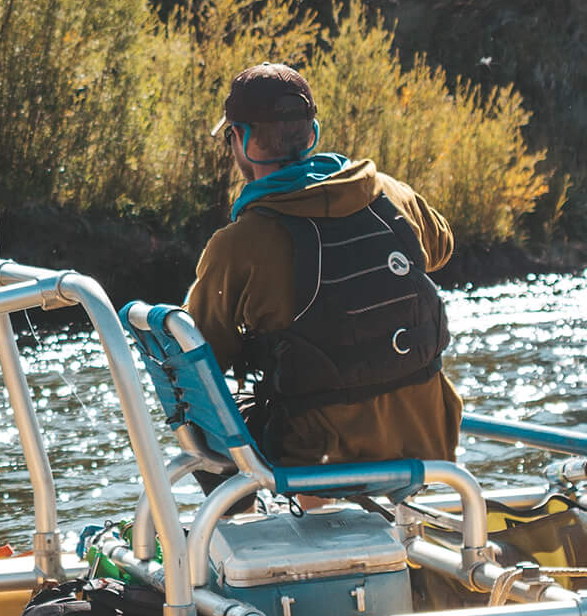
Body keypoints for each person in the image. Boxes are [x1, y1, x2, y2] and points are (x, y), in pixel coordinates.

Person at [185, 61, 461, 467]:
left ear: (242, 140)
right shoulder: (388, 193)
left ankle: (241, 520)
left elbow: (202, 354)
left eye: (231, 136)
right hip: (427, 434)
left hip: (320, 455)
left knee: (199, 417)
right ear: (312, 133)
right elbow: (441, 247)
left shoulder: (238, 244)